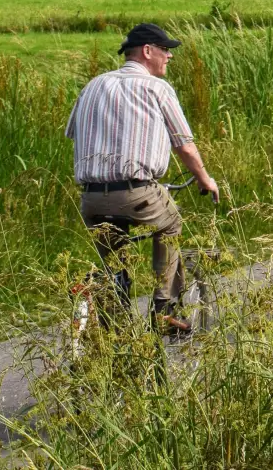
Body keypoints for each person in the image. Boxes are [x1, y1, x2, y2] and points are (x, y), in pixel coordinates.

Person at [65, 23, 220, 336]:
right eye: (165, 50)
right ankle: (165, 308)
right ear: (148, 51)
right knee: (171, 224)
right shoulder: (156, 89)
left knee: (114, 266)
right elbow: (184, 145)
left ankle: (113, 334)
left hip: (91, 198)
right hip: (137, 193)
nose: (169, 57)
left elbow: (74, 134)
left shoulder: (92, 85)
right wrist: (205, 179)